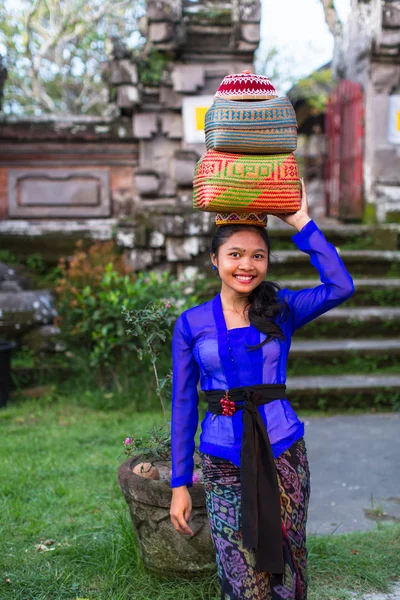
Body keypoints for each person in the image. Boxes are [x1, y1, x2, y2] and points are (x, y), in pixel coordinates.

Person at [169, 181, 355, 599]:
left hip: (284, 450)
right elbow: (183, 407)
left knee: (289, 560)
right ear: (214, 259)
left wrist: (302, 221)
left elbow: (341, 287)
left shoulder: (282, 308)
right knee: (238, 571)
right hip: (222, 459)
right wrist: (179, 483)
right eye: (235, 254)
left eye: (258, 255)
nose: (246, 265)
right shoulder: (192, 323)